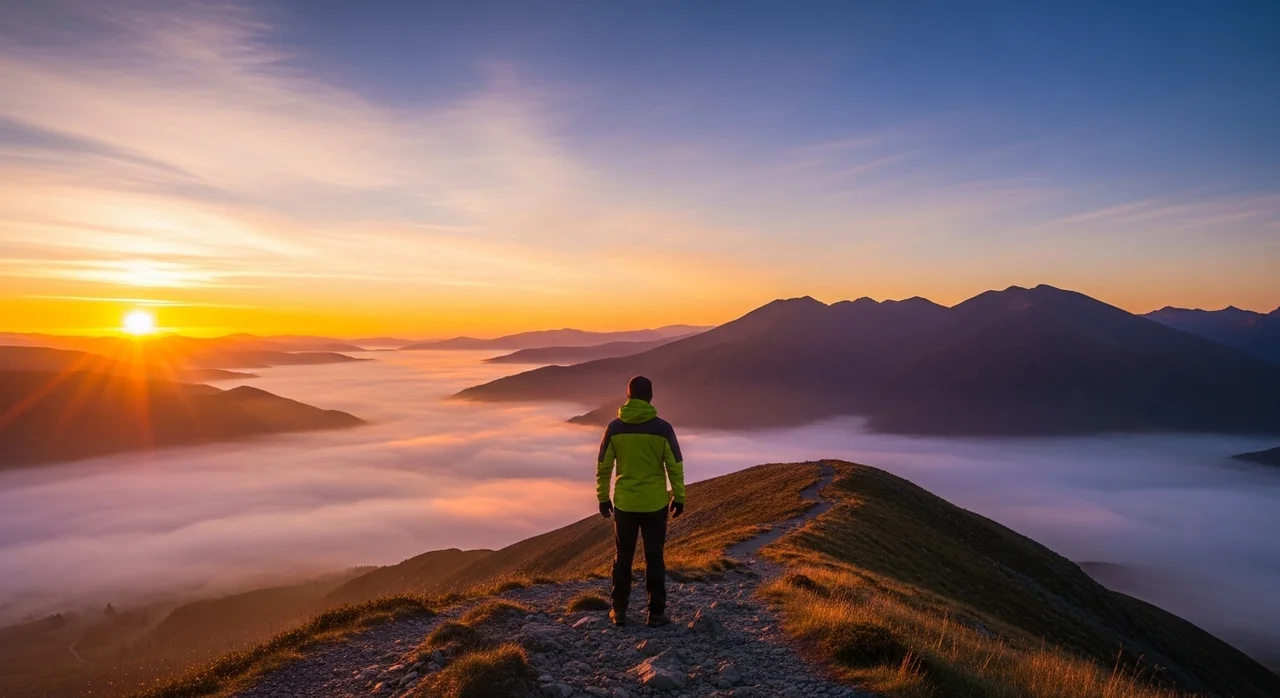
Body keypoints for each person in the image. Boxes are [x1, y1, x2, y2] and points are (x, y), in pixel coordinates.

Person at [596, 375, 686, 627]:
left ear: (628, 395)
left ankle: (619, 611)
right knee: (654, 557)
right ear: (650, 397)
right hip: (655, 504)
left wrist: (603, 497)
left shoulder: (614, 428)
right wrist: (679, 497)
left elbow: (604, 466)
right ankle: (656, 613)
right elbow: (675, 466)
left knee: (622, 557)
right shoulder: (663, 429)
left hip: (625, 504)